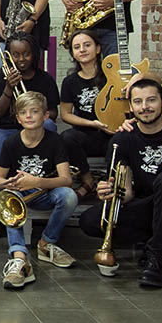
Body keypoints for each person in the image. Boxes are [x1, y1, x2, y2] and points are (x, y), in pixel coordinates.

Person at [78, 79, 162, 287]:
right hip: (150, 208)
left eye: (151, 100)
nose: (145, 107)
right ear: (130, 107)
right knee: (91, 219)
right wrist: (111, 192)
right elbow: (128, 194)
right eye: (138, 102)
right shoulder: (123, 140)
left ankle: (156, 259)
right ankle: (153, 239)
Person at [0, 32, 59, 244]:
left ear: (35, 55)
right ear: (9, 55)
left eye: (26, 54)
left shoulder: (45, 79)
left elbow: (53, 114)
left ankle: (39, 197)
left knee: (49, 125)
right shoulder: (2, 77)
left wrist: (35, 116)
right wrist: (8, 88)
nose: (21, 59)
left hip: (35, 132)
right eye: (16, 54)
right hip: (4, 130)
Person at [0, 92, 77, 290]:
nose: (29, 116)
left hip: (45, 193)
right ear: (18, 118)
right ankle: (19, 257)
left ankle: (46, 243)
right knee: (8, 198)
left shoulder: (55, 141)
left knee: (69, 197)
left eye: (35, 111)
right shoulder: (11, 143)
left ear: (46, 116)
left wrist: (36, 181)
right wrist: (9, 183)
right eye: (24, 112)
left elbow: (66, 180)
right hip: (20, 194)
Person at [58, 31, 111, 199]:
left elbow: (152, 79)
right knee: (67, 137)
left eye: (87, 45)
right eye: (77, 47)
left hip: (111, 134)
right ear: (73, 53)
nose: (82, 50)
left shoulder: (111, 75)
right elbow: (65, 114)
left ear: (97, 49)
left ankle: (112, 185)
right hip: (87, 134)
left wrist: (137, 76)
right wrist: (92, 123)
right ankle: (88, 181)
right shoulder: (70, 81)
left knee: (122, 141)